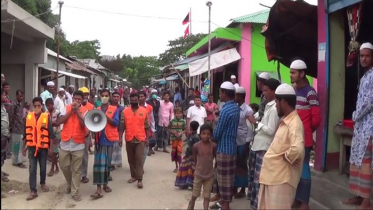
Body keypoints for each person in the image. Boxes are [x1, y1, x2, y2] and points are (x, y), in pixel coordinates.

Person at [257, 83, 305, 209]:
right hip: (272, 178)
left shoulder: (294, 123)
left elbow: (298, 149)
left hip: (281, 180)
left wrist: (285, 158)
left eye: (277, 102)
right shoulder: (286, 120)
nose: (276, 105)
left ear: (283, 102)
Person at [342, 42, 373, 210]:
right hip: (360, 126)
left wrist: (355, 115)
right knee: (355, 160)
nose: (364, 58)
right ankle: (357, 196)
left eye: (367, 56)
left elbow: (369, 103)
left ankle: (367, 202)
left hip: (369, 128)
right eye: (361, 56)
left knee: (366, 163)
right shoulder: (364, 76)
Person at [290, 59, 321, 210]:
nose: (291, 75)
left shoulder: (310, 93)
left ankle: (304, 203)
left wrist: (307, 130)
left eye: (293, 72)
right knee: (295, 169)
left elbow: (316, 119)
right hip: (293, 136)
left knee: (304, 169)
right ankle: (297, 198)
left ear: (302, 74)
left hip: (305, 137)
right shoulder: (294, 90)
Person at [247, 79, 280, 209]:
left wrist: (256, 123)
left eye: (266, 90)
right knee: (254, 178)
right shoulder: (267, 105)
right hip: (257, 145)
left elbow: (271, 130)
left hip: (264, 147)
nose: (263, 93)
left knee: (259, 180)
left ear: (274, 91)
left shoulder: (274, 108)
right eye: (263, 90)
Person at [212, 81, 240, 210]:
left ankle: (225, 206)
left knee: (223, 180)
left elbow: (217, 133)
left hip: (224, 148)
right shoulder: (235, 107)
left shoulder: (225, 110)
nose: (219, 95)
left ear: (224, 93)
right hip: (232, 147)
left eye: (220, 92)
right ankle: (224, 204)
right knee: (229, 179)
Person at [57, 90, 88, 202]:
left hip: (78, 143)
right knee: (64, 166)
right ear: (72, 99)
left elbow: (84, 124)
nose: (77, 101)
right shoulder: (66, 108)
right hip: (65, 141)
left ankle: (75, 192)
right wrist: (71, 111)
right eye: (75, 99)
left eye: (79, 99)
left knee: (76, 169)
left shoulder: (85, 111)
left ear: (82, 100)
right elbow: (60, 121)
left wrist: (78, 112)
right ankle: (70, 184)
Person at [22, 97, 55, 200]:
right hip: (32, 147)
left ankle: (43, 183)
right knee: (32, 169)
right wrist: (24, 147)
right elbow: (26, 133)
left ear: (42, 106)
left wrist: (51, 148)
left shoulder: (46, 117)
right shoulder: (29, 117)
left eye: (39, 106)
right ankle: (33, 190)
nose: (37, 107)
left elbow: (51, 135)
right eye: (35, 106)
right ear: (33, 106)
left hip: (43, 147)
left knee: (43, 167)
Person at [90, 89, 120, 199]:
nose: (104, 97)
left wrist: (104, 116)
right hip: (99, 140)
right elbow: (92, 124)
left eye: (106, 95)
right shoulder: (96, 110)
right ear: (99, 96)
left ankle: (105, 184)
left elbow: (116, 123)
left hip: (109, 140)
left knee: (107, 164)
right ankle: (98, 189)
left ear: (109, 97)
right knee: (98, 165)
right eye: (102, 95)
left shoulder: (114, 109)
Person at [120, 92, 149, 189]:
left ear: (138, 100)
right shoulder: (125, 111)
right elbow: (122, 126)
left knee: (139, 159)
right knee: (131, 159)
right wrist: (120, 138)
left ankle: (140, 179)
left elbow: (147, 126)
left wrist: (147, 138)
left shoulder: (144, 111)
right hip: (129, 138)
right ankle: (133, 176)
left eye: (135, 100)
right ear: (130, 100)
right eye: (132, 100)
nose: (134, 102)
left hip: (140, 138)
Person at [188, 124, 217, 210]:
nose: (206, 136)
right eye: (203, 133)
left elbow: (215, 158)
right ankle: (191, 203)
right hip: (199, 173)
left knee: (207, 195)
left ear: (211, 135)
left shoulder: (213, 146)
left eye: (208, 134)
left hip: (209, 174)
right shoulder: (196, 146)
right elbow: (195, 158)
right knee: (195, 194)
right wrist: (196, 168)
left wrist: (214, 169)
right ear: (200, 134)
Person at [233, 87, 254, 199]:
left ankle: (242, 189)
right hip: (234, 141)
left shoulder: (248, 110)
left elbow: (250, 128)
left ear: (240, 96)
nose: (234, 97)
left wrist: (246, 144)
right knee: (235, 164)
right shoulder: (235, 108)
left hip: (243, 142)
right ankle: (235, 187)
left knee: (242, 165)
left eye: (236, 95)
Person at [175, 121, 200, 189]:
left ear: (191, 127)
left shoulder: (196, 137)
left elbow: (196, 148)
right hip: (188, 154)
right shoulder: (191, 135)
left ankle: (191, 184)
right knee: (184, 168)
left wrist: (193, 156)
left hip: (191, 156)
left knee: (191, 170)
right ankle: (184, 183)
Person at [79, 87, 94, 183]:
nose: (85, 96)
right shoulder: (73, 106)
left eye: (86, 94)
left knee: (84, 155)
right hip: (75, 134)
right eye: (83, 94)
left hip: (86, 134)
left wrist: (90, 133)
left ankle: (83, 175)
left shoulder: (91, 107)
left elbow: (93, 121)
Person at [9, 90, 26, 168]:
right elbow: (11, 116)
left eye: (22, 96)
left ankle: (17, 161)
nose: (21, 98)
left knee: (19, 145)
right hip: (15, 129)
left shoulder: (19, 104)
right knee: (16, 145)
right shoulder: (14, 104)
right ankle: (17, 162)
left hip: (20, 128)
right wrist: (10, 127)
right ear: (16, 96)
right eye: (20, 96)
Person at [138, 91, 155, 161]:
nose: (140, 98)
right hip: (137, 130)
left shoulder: (149, 107)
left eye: (142, 96)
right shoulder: (135, 107)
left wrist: (153, 130)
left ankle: (141, 164)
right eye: (139, 97)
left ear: (145, 97)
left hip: (147, 130)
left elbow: (152, 119)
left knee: (145, 148)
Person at [168, 107, 186, 172]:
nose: (178, 114)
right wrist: (173, 132)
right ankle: (176, 167)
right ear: (175, 114)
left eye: (180, 113)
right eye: (177, 113)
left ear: (182, 114)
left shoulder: (183, 121)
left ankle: (180, 166)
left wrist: (181, 133)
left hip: (180, 139)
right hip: (174, 139)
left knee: (179, 152)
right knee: (174, 152)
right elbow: (168, 128)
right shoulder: (172, 121)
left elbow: (185, 129)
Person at [46, 98, 61, 177]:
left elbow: (58, 122)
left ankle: (52, 168)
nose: (49, 107)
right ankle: (57, 167)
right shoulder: (46, 114)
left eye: (50, 105)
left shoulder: (57, 112)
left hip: (57, 133)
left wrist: (52, 124)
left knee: (54, 152)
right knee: (53, 152)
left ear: (53, 105)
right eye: (47, 106)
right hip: (50, 135)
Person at [110, 91, 124, 169]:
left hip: (118, 130)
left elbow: (122, 122)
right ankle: (111, 163)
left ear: (119, 98)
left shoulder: (121, 109)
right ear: (112, 97)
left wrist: (121, 135)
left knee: (116, 147)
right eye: (114, 96)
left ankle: (115, 163)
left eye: (117, 97)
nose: (115, 98)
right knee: (110, 147)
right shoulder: (108, 107)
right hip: (109, 130)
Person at [1, 88, 10, 187]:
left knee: (2, 158)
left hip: (4, 136)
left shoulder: (3, 107)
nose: (5, 97)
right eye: (3, 95)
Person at [146, 89, 160, 154]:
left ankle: (151, 148)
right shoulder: (148, 102)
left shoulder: (158, 102)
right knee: (149, 134)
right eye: (153, 93)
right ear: (151, 94)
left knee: (154, 135)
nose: (154, 94)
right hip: (149, 119)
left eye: (155, 93)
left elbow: (158, 111)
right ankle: (148, 149)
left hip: (156, 119)